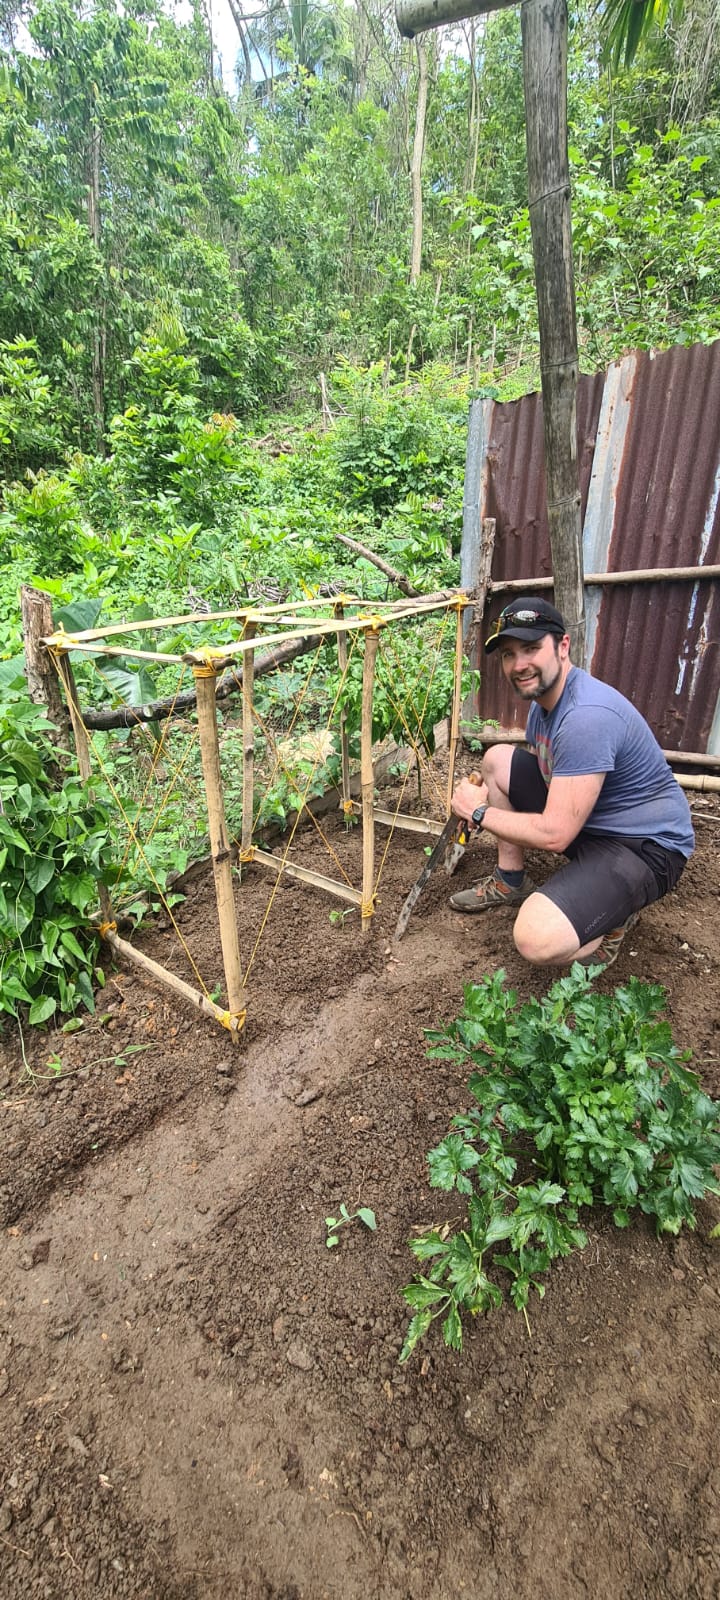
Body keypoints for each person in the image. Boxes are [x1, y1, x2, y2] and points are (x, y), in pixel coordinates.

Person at [449, 596, 694, 971]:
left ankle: (614, 920)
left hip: (645, 848)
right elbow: (551, 778)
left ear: (563, 647)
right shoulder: (542, 706)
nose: (519, 664)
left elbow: (555, 835)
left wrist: (477, 811)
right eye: (508, 654)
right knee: (498, 760)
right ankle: (511, 880)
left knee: (535, 937)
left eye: (531, 648)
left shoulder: (585, 718)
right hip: (596, 821)